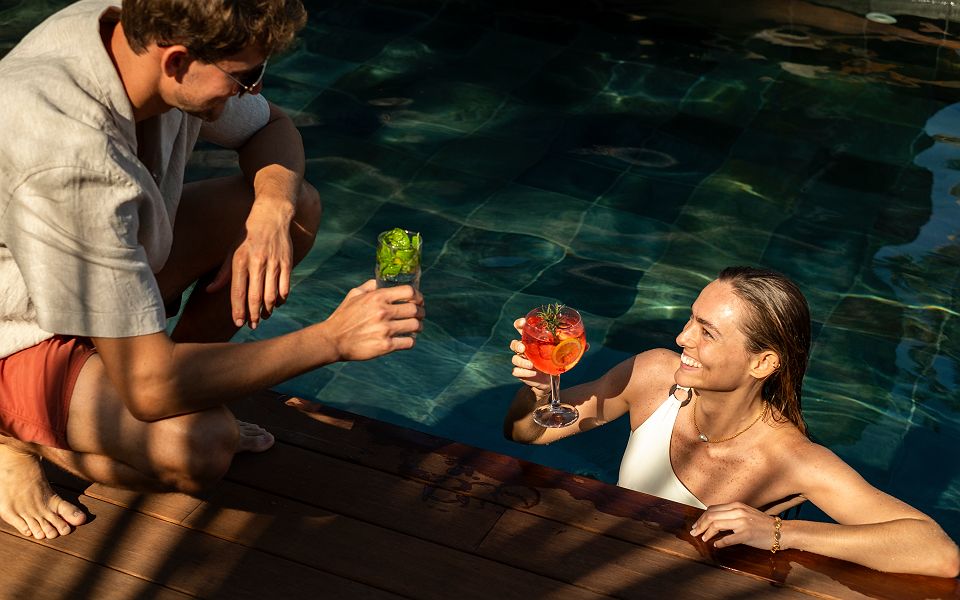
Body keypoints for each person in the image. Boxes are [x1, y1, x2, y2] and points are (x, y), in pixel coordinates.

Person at [0, 0, 424, 541]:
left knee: (297, 207)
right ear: (176, 62)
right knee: (198, 447)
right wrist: (331, 340)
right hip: (16, 330)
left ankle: (185, 385)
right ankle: (13, 440)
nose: (251, 91)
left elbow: (271, 126)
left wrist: (271, 213)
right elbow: (148, 386)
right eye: (245, 76)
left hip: (89, 267)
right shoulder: (69, 161)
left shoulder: (127, 29)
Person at [504, 266, 959, 577]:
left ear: (762, 363)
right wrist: (541, 391)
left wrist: (779, 532)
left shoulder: (790, 458)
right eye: (691, 319)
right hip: (596, 564)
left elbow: (937, 552)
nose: (683, 337)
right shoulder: (654, 376)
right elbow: (527, 432)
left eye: (708, 332)